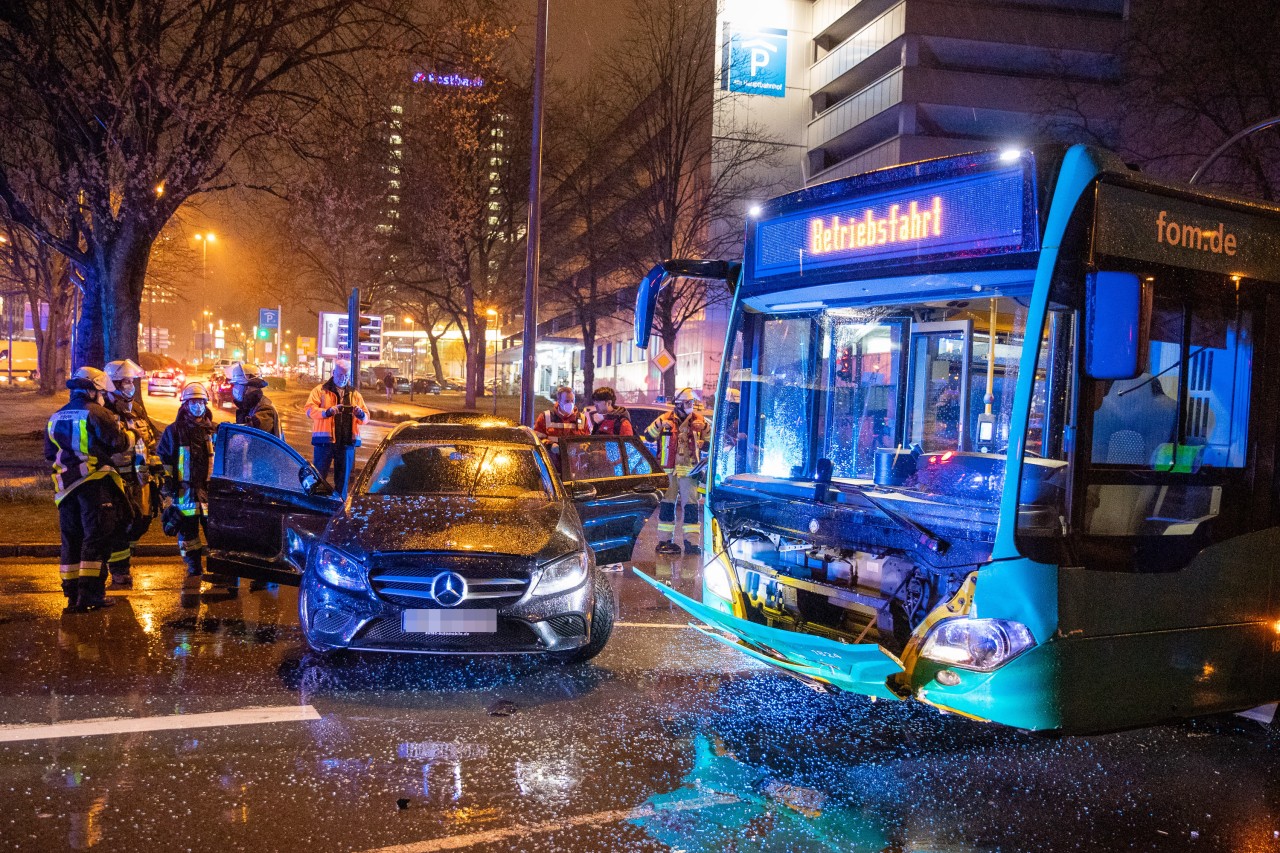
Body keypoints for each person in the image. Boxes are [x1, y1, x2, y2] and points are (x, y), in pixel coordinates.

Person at [45, 366, 136, 612]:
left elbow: (49, 454)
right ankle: (92, 594)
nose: (104, 397)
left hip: (65, 491)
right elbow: (117, 443)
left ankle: (72, 594)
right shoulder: (97, 413)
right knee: (96, 539)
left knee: (71, 541)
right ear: (93, 390)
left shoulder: (56, 416)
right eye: (102, 392)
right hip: (94, 487)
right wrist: (131, 436)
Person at [103, 359, 162, 588]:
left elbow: (150, 440)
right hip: (117, 479)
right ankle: (119, 571)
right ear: (115, 383)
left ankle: (123, 560)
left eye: (131, 381)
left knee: (142, 521)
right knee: (120, 524)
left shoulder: (136, 408)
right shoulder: (106, 411)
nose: (130, 386)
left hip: (141, 479)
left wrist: (156, 466)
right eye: (126, 381)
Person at [157, 383, 217, 579]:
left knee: (215, 534)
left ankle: (218, 570)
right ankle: (194, 566)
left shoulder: (214, 431)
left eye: (201, 402)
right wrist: (167, 490)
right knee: (188, 535)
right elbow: (165, 461)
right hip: (184, 493)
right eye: (193, 402)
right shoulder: (173, 431)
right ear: (185, 404)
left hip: (210, 494)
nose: (197, 406)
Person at [645, 388, 710, 555]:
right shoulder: (665, 419)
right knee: (667, 506)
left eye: (692, 403)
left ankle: (691, 543)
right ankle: (664, 541)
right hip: (668, 471)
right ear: (679, 404)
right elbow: (649, 436)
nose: (691, 406)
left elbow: (712, 441)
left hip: (690, 471)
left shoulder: (699, 421)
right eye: (688, 403)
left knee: (691, 508)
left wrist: (704, 432)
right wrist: (660, 426)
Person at [305, 360, 368, 492]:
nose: (343, 378)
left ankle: (340, 507)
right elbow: (309, 410)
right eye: (340, 375)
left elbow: (366, 417)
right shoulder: (320, 391)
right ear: (333, 373)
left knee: (342, 482)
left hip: (346, 444)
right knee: (318, 479)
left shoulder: (354, 394)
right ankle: (317, 506)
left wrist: (360, 414)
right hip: (324, 443)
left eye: (346, 376)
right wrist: (327, 412)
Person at [228, 362, 281, 437]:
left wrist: (228, 430)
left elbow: (253, 433)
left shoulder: (265, 409)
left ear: (249, 387)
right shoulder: (250, 406)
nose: (236, 388)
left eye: (239, 385)